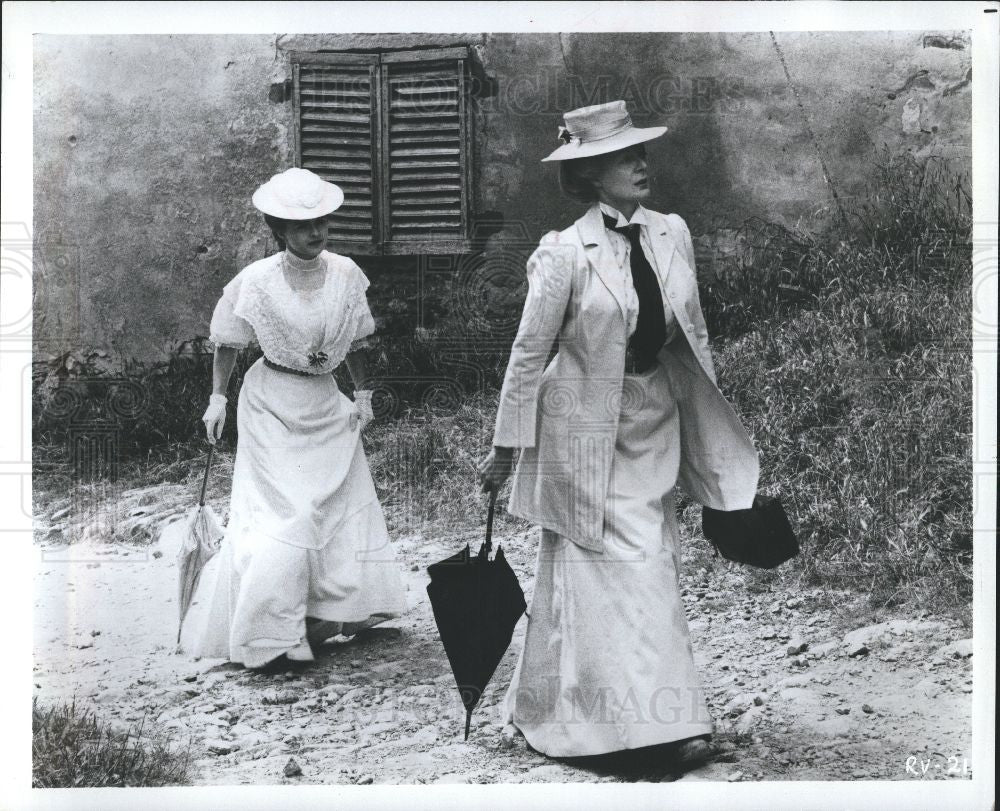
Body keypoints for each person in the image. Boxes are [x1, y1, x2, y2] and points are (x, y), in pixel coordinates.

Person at [478, 101, 760, 767]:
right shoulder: (563, 253)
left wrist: (708, 437)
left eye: (641, 152)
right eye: (622, 156)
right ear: (589, 175)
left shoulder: (671, 234)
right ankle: (633, 732)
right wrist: (504, 445)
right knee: (613, 571)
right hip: (581, 433)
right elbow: (528, 354)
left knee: (648, 562)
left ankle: (625, 715)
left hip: (653, 414)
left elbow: (693, 338)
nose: (641, 163)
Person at [187, 168, 407, 669]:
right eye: (302, 225)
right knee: (290, 513)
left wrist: (364, 392)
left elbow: (358, 339)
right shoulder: (256, 281)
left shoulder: (348, 273)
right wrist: (218, 399)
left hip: (327, 404)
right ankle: (270, 633)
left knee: (336, 504)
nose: (316, 233)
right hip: (271, 405)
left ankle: (331, 613)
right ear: (278, 230)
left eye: (322, 222)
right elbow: (227, 341)